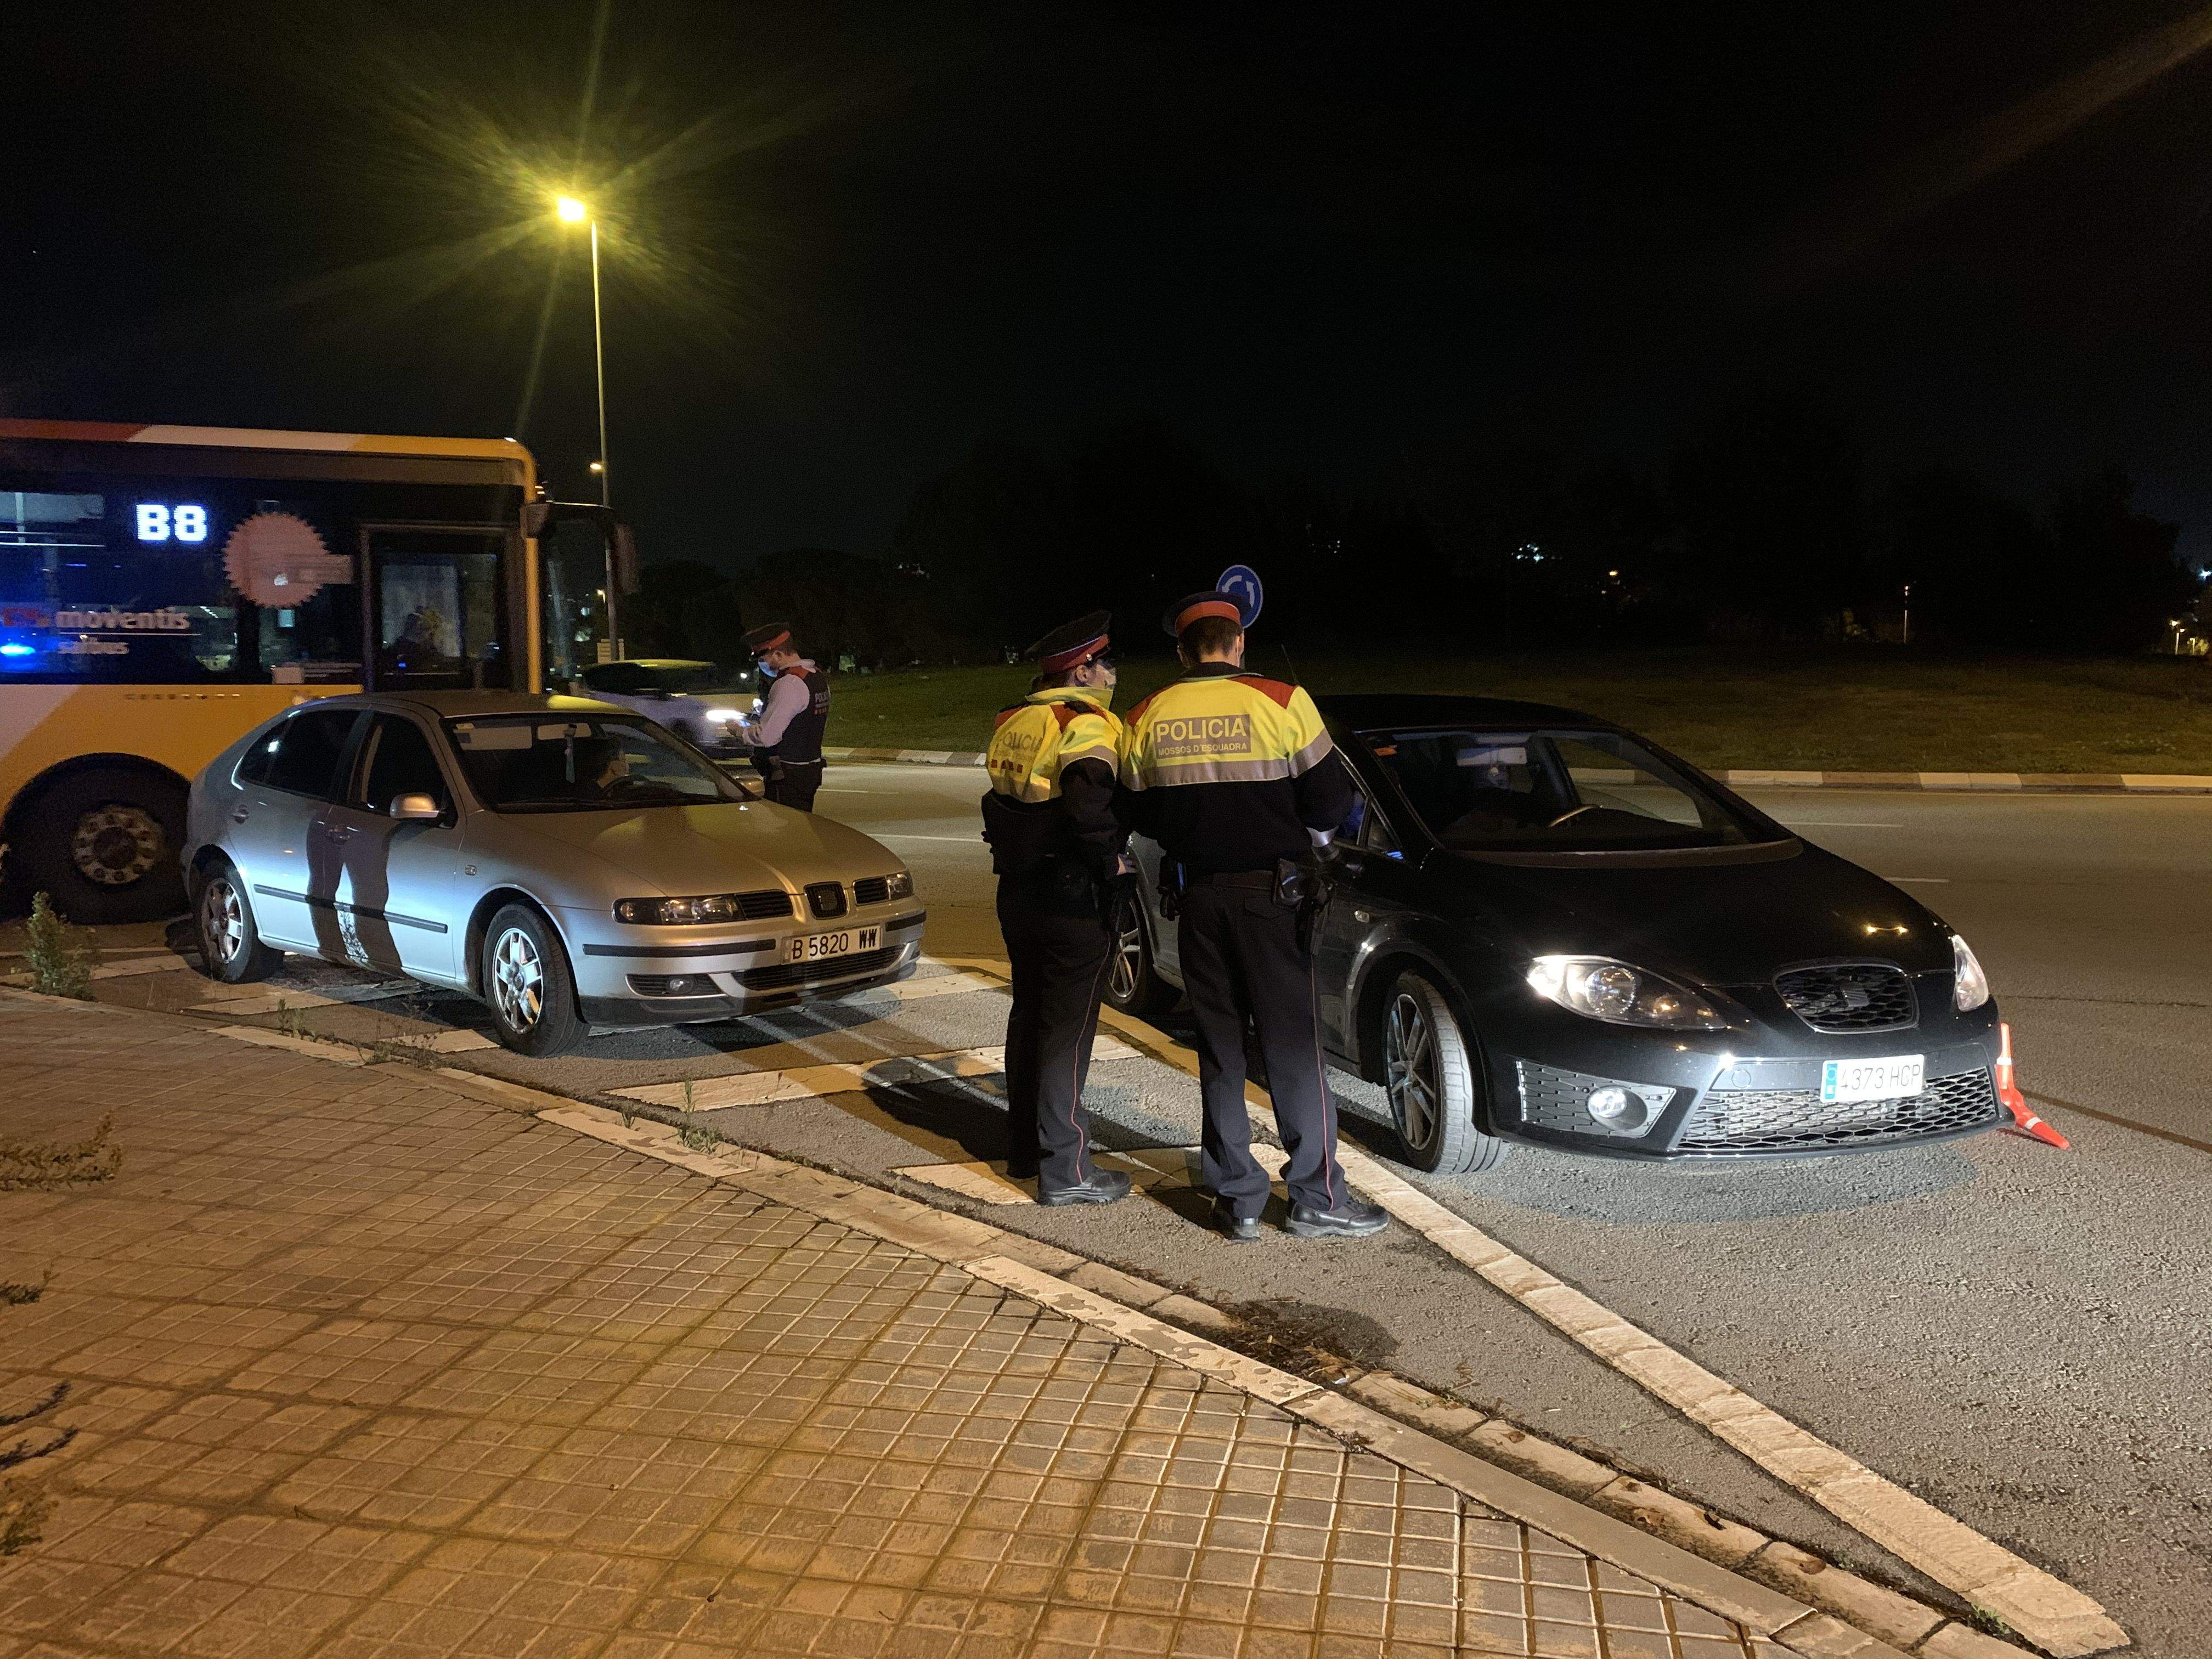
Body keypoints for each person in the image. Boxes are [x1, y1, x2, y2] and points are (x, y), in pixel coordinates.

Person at [1119, 591, 1385, 1242]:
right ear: (1239, 644)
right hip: (1274, 899)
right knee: (1292, 1046)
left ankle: (1235, 1199)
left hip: (1199, 898)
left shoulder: (1147, 713)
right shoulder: (1282, 701)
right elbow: (1329, 803)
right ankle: (1317, 1197)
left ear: (1183, 651)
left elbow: (1140, 814)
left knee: (1220, 1047)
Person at [980, 610, 1133, 1206]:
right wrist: (1112, 863)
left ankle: (1025, 1148)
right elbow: (1089, 806)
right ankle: (1066, 1170)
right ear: (1082, 668)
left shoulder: (1014, 720)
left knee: (1029, 1017)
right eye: (1106, 662)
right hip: (1073, 898)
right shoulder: (1086, 724)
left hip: (1018, 892)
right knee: (1067, 1034)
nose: (1111, 672)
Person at [737, 622, 830, 810]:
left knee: (784, 831)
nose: (762, 665)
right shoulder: (816, 678)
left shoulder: (789, 684)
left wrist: (740, 732)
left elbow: (767, 736)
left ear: (778, 654)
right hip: (809, 771)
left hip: (787, 777)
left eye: (763, 658)